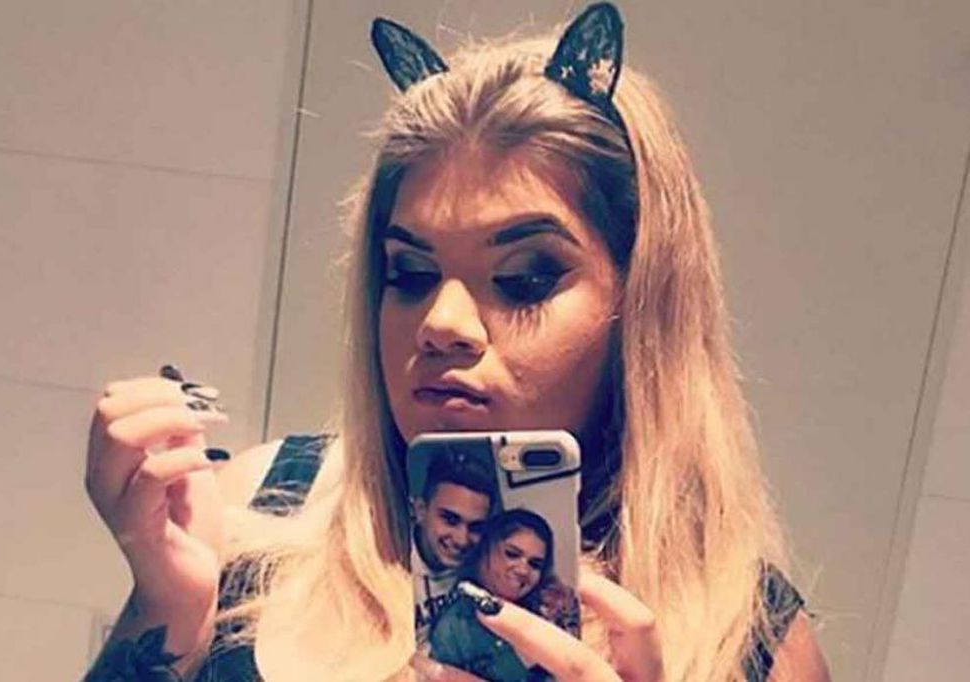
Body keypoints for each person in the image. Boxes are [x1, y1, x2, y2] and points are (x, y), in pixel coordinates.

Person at [83, 3, 831, 681]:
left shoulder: (755, 643)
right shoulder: (258, 509)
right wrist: (165, 608)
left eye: (525, 278)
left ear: (641, 307)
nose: (440, 323)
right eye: (410, 273)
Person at [429, 509, 572, 681]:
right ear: (484, 550)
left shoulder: (552, 610)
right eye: (512, 554)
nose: (523, 570)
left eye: (535, 564)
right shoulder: (454, 628)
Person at [412, 450, 498, 649]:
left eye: (475, 527)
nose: (462, 540)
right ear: (421, 511)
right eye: (450, 520)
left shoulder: (482, 565)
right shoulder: (387, 568)